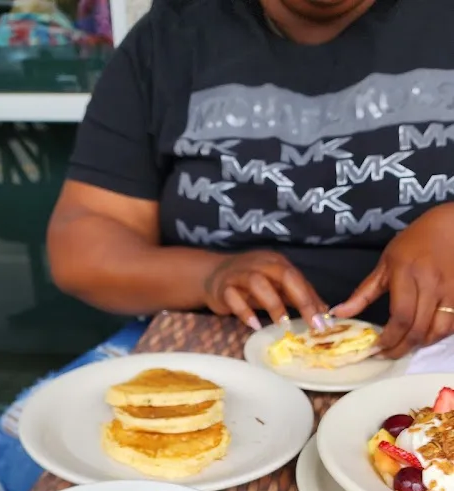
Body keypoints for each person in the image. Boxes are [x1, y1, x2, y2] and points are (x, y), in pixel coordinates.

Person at [47, 0, 454, 359]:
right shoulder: (171, 36)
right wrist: (208, 276)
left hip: (430, 352)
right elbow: (81, 247)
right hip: (218, 354)